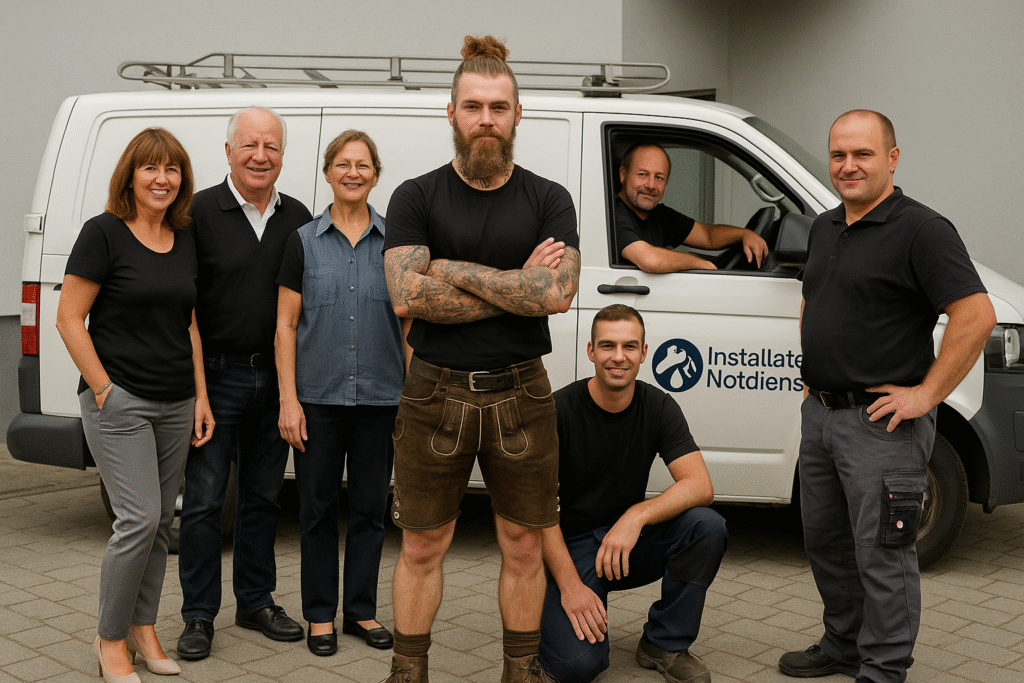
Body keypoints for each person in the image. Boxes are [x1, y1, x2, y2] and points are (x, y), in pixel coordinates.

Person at [381, 35, 580, 683]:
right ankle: (408, 672)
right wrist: (516, 283)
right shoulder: (415, 196)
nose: (486, 119)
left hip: (523, 391)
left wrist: (451, 270)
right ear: (452, 113)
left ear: (518, 114)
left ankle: (520, 671)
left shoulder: (549, 198)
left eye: (498, 107)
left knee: (523, 543)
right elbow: (407, 295)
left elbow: (556, 294)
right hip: (433, 391)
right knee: (421, 544)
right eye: (473, 106)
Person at [779, 110, 996, 683]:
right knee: (826, 542)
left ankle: (885, 665)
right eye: (838, 155)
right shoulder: (826, 226)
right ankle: (843, 644)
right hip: (821, 416)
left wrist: (926, 395)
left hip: (881, 426)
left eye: (863, 154)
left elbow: (976, 315)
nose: (848, 166)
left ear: (893, 159)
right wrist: (816, 371)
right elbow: (814, 299)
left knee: (883, 553)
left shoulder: (922, 230)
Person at [56, 127, 214, 681]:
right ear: (131, 175)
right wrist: (104, 390)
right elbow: (68, 318)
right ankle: (109, 639)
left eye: (172, 169)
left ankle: (144, 628)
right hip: (120, 401)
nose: (162, 179)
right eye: (151, 167)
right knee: (138, 519)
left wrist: (200, 395)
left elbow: (189, 323)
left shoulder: (183, 237)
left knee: (161, 524)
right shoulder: (102, 233)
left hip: (176, 401)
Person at [177, 106, 313, 660]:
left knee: (263, 499)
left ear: (283, 154)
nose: (261, 156)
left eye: (271, 147)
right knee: (205, 502)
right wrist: (198, 392)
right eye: (250, 145)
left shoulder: (298, 217)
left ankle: (255, 601)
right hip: (215, 378)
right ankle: (198, 614)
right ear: (229, 151)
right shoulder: (196, 213)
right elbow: (183, 308)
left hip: (275, 379)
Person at [539, 304, 727, 683]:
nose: (618, 357)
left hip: (626, 545)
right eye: (607, 346)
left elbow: (699, 485)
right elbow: (533, 510)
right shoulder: (558, 411)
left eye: (629, 346)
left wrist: (635, 516)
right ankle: (550, 613)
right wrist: (571, 587)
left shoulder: (658, 405)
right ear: (591, 351)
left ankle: (665, 643)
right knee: (578, 666)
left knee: (706, 526)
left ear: (643, 353)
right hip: (571, 548)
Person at [275, 130, 409, 657]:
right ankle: (318, 615)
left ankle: (360, 611)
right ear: (328, 172)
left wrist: (413, 399)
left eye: (363, 165)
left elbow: (408, 326)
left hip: (382, 399)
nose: (353, 172)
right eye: (343, 164)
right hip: (317, 401)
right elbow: (285, 325)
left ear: (375, 175)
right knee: (316, 511)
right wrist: (289, 400)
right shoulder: (302, 242)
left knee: (372, 510)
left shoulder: (397, 243)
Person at [616, 143, 769, 272]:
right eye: (642, 174)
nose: (651, 185)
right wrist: (700, 263)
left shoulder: (658, 215)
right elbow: (649, 259)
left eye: (659, 178)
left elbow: (708, 236)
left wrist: (746, 234)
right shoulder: (613, 215)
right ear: (623, 174)